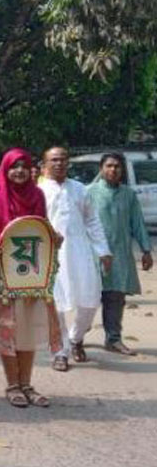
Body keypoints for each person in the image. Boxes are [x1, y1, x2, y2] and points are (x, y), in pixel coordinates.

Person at [0, 149, 62, 408]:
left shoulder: (37, 195)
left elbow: (42, 226)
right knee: (8, 328)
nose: (19, 171)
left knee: (29, 328)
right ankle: (12, 384)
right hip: (3, 275)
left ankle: (27, 384)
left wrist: (54, 237)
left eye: (24, 166)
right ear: (4, 169)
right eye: (14, 167)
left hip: (32, 273)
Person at [39, 147, 112, 371]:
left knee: (90, 301)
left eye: (63, 159)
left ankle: (76, 338)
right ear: (45, 164)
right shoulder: (38, 191)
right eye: (54, 160)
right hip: (50, 254)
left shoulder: (80, 189)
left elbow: (92, 221)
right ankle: (60, 352)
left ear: (68, 163)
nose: (59, 163)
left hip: (80, 251)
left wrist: (103, 251)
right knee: (56, 305)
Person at [87, 152, 153, 356]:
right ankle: (75, 340)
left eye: (117, 166)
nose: (113, 170)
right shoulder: (89, 192)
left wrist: (146, 250)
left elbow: (137, 223)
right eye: (109, 166)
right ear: (101, 168)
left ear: (122, 170)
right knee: (87, 299)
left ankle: (113, 339)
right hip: (92, 256)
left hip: (120, 256)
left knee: (115, 298)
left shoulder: (128, 194)